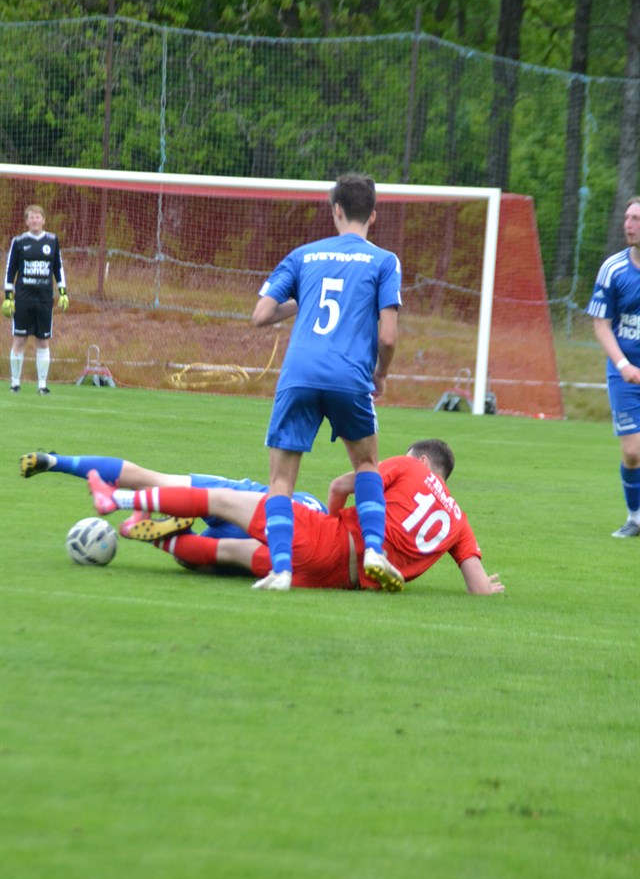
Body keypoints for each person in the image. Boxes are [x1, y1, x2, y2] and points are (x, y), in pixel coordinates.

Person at [86, 439, 505, 595]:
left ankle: (118, 499)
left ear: (423, 460)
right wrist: (490, 587)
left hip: (326, 540)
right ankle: (156, 537)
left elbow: (340, 486)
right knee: (229, 552)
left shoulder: (410, 466)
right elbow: (478, 587)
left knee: (220, 500)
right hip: (340, 581)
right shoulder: (460, 523)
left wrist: (332, 522)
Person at [251, 172, 402, 591]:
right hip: (349, 376)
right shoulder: (384, 261)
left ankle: (281, 570)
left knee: (281, 480)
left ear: (335, 210)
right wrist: (380, 375)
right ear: (373, 215)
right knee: (366, 464)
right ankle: (374, 550)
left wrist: (303, 301)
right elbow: (388, 337)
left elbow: (261, 314)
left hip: (299, 374)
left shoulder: (303, 255)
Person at [19, 450, 327, 542]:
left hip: (244, 497)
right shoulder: (328, 535)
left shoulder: (317, 505)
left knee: (151, 480)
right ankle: (176, 536)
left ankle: (57, 461)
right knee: (205, 557)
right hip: (267, 537)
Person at [586, 196, 640, 538]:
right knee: (633, 452)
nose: (629, 224)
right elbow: (601, 324)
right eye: (627, 217)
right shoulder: (613, 269)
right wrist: (623, 365)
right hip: (625, 375)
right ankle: (635, 518)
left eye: (636, 219)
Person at [3, 205, 69, 395]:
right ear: (26, 221)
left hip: (44, 299)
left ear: (44, 220)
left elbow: (58, 267)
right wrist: (8, 296)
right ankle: (15, 383)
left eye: (38, 217)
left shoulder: (52, 240)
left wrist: (63, 292)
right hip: (23, 299)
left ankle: (42, 385)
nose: (34, 220)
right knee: (19, 340)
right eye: (31, 217)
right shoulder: (19, 241)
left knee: (43, 341)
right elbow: (10, 270)